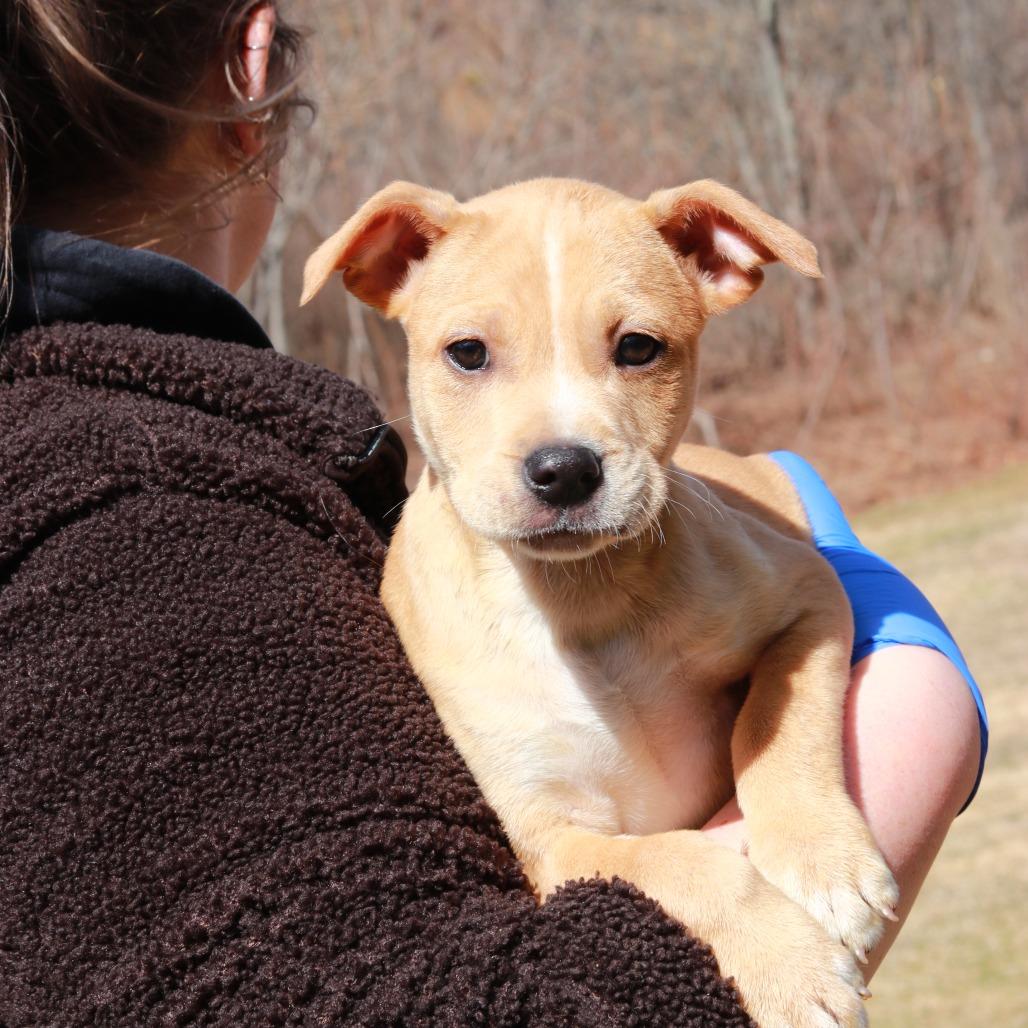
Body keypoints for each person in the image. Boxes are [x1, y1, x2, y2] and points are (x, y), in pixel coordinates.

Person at [0, 1, 984, 1022]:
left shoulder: (249, 467)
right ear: (383, 266)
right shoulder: (167, 508)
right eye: (471, 355)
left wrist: (793, 787)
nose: (558, 446)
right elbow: (537, 867)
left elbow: (800, 608)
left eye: (635, 350)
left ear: (721, 265)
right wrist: (912, 708)